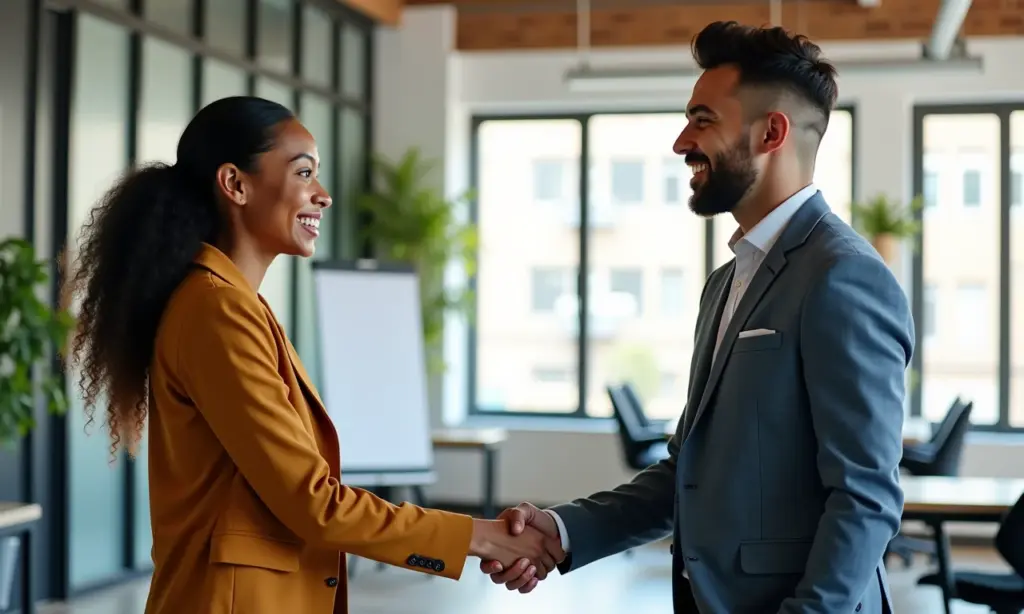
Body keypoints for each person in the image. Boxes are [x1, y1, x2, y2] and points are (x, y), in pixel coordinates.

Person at [64, 96, 563, 614]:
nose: (322, 196)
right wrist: (479, 536)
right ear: (235, 184)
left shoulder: (235, 305)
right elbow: (314, 503)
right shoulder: (217, 312)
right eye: (304, 173)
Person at [482, 21, 914, 614]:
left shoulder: (843, 275)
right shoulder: (726, 283)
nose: (682, 141)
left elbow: (865, 496)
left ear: (772, 132)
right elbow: (689, 472)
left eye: (703, 119)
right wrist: (562, 530)